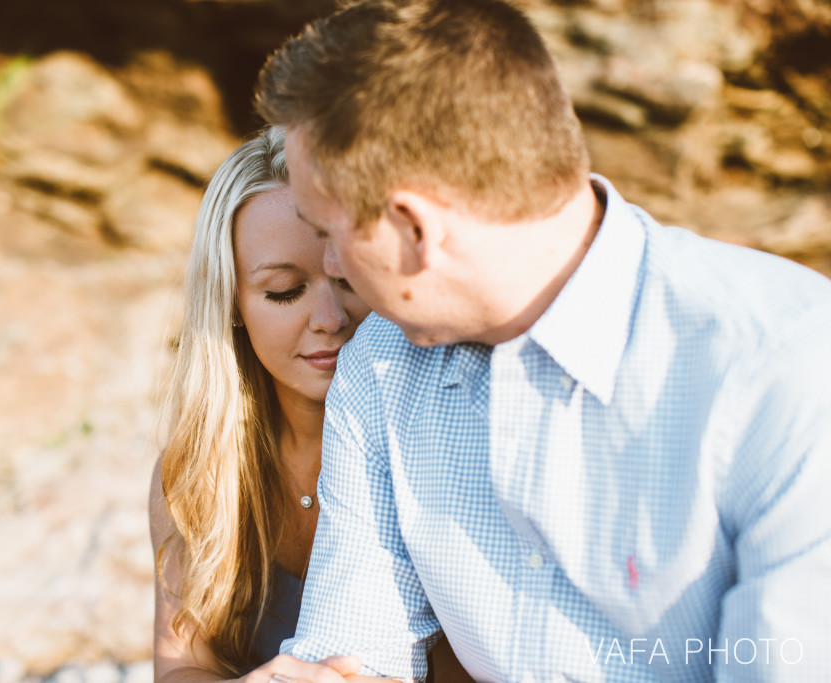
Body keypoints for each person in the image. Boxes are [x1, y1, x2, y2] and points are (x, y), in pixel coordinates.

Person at [254, 1, 831, 682]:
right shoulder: (379, 365)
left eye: (330, 232)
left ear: (413, 228)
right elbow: (352, 654)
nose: (331, 267)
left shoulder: (787, 365)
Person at [149, 127, 472, 683]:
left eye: (348, 278)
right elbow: (180, 666)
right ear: (232, 303)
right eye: (283, 291)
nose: (329, 318)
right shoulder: (196, 474)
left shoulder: (446, 448)